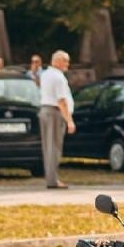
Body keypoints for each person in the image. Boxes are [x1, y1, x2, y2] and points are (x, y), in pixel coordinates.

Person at [38, 49, 75, 189]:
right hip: (54, 112)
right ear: (58, 61)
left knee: (48, 147)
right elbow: (61, 101)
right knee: (54, 146)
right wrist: (69, 120)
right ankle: (52, 180)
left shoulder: (45, 74)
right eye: (65, 61)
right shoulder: (58, 77)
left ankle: (51, 178)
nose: (67, 64)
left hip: (45, 110)